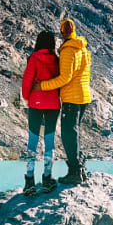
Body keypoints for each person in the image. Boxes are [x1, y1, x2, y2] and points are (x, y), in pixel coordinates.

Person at [31, 18, 92, 185]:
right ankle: (80, 169)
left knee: (68, 134)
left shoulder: (67, 50)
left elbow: (65, 78)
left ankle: (74, 172)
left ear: (62, 32)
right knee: (74, 134)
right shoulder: (83, 48)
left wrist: (41, 86)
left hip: (72, 98)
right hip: (84, 96)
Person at [20, 30, 61, 196]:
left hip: (36, 103)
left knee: (33, 141)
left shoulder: (34, 58)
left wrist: (27, 97)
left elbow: (27, 81)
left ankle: (29, 181)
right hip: (53, 104)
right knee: (49, 142)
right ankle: (47, 178)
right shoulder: (57, 60)